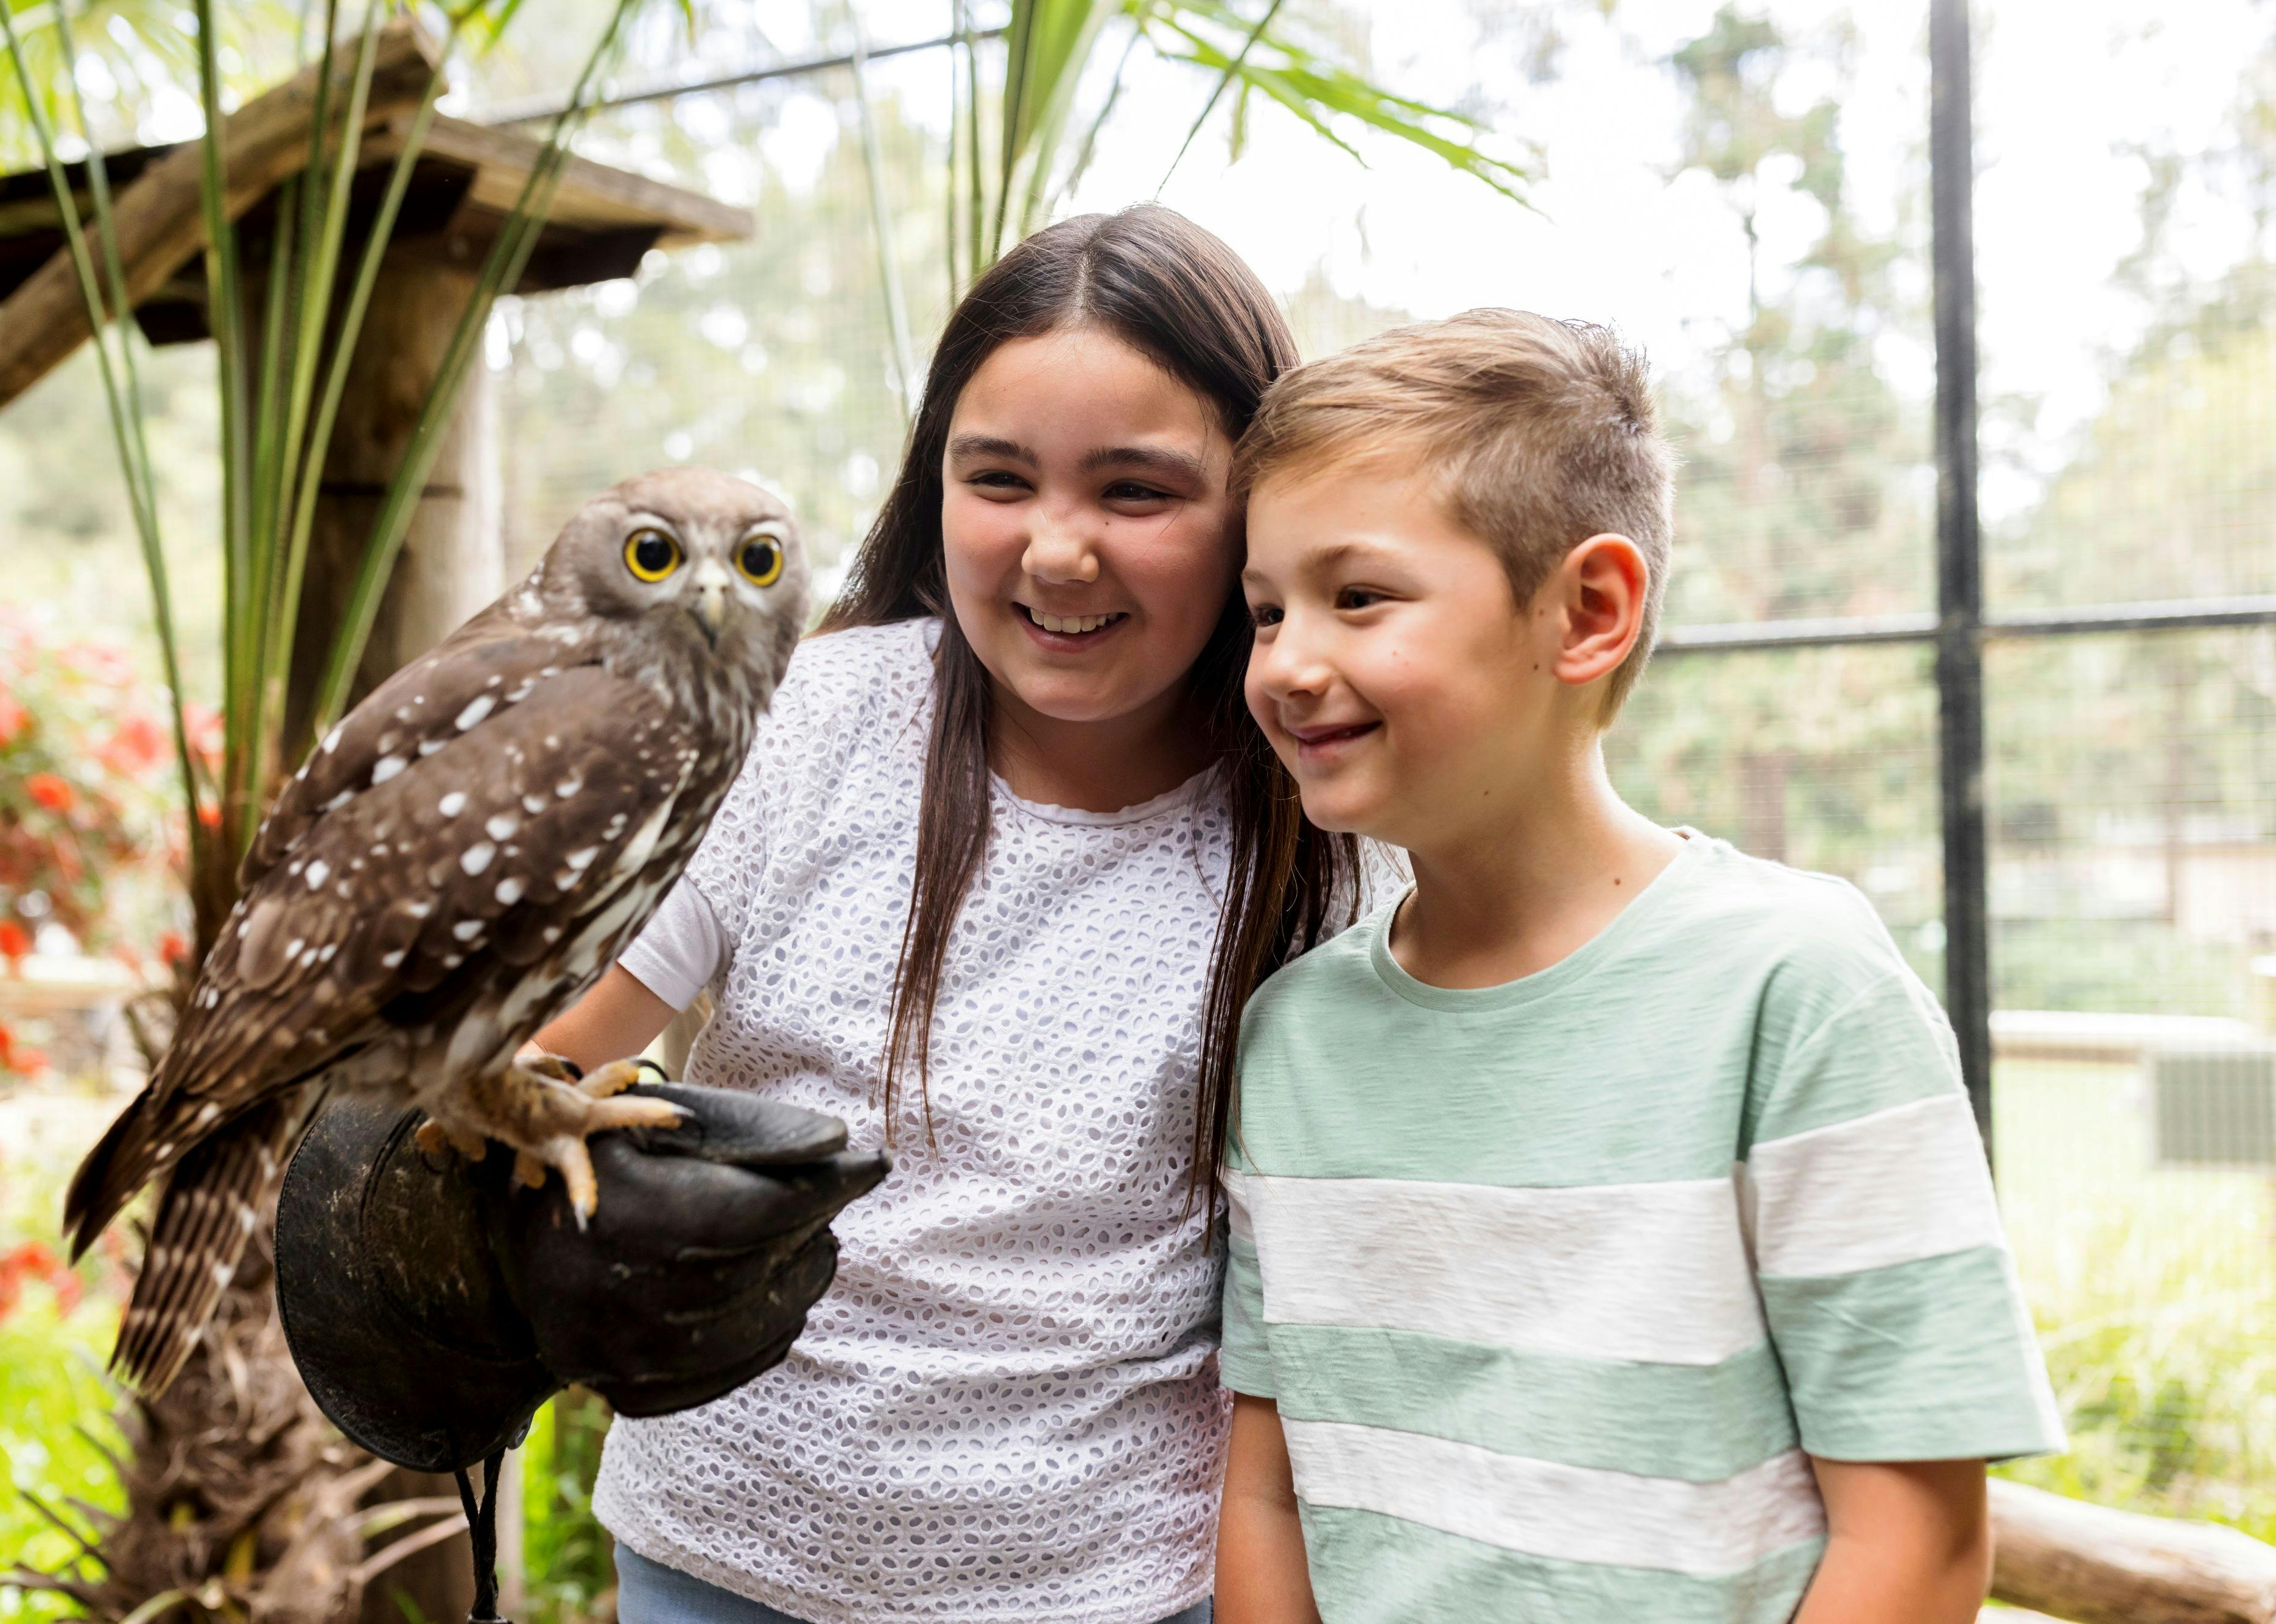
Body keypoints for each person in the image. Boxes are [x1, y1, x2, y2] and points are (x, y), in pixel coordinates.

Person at [533, 206, 1387, 1624]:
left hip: (1105, 1585)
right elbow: (554, 1055)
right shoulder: (811, 718)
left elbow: (1314, 1324)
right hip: (715, 1550)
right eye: (998, 477)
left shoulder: (1327, 826)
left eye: (1135, 491)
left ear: (1258, 505)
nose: (1057, 552)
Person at [1214, 309, 2064, 1624]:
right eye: (1266, 610)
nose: (1287, 664)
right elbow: (1269, 1491)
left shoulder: (1796, 985)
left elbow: (1916, 1538)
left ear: (1587, 612)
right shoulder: (1290, 1037)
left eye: (1358, 596)